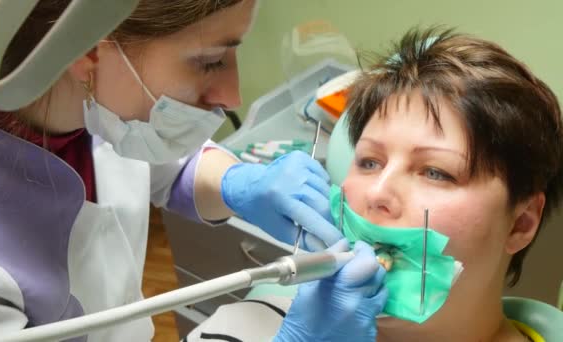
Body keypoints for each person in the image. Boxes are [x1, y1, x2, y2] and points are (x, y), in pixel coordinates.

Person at [0, 0, 388, 341]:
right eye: (210, 61)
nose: (232, 95)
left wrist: (238, 184)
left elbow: (160, 160)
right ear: (88, 50)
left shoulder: (92, 101)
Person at [185, 27, 563, 341]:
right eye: (368, 161)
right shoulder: (244, 329)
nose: (378, 193)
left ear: (521, 223)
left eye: (435, 172)